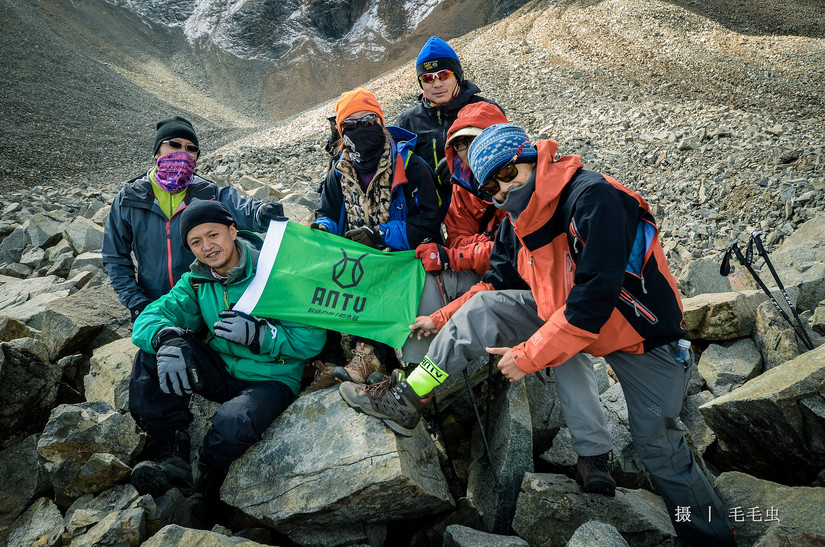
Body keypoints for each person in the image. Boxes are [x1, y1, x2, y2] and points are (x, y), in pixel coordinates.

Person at [339, 124, 736, 546]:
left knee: (661, 449)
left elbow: (592, 302)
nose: (503, 188)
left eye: (509, 172)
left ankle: (711, 539)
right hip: (567, 319)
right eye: (491, 185)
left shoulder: (592, 198)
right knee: (483, 311)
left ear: (531, 157)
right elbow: (494, 284)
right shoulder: (516, 222)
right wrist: (440, 318)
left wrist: (528, 355)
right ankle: (412, 394)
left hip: (643, 337)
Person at [128, 199, 325, 503]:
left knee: (234, 423)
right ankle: (171, 453)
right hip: (220, 367)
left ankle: (208, 478)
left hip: (270, 378)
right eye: (195, 242)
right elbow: (148, 319)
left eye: (213, 234)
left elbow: (311, 339)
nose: (206, 247)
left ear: (233, 231)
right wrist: (165, 338)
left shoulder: (276, 272)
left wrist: (261, 335)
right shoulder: (196, 281)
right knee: (155, 352)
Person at [305, 88, 443, 393]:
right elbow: (326, 212)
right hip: (355, 257)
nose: (360, 130)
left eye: (367, 120)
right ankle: (331, 360)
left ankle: (369, 355)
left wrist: (380, 235)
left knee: (377, 279)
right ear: (341, 132)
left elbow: (430, 220)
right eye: (350, 126)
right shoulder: (337, 174)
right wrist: (325, 229)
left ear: (380, 122)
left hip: (404, 258)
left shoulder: (410, 165)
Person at [103, 116, 286, 323]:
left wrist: (262, 213)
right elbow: (115, 256)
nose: (183, 152)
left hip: (203, 303)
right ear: (156, 152)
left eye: (191, 149)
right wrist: (135, 302)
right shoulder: (129, 198)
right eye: (174, 144)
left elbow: (243, 209)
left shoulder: (209, 192)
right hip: (152, 303)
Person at [396, 36, 503, 214]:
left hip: (480, 207)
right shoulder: (407, 122)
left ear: (458, 76)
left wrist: (465, 163)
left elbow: (508, 157)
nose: (437, 84)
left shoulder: (485, 110)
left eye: (444, 75)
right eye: (428, 78)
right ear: (421, 83)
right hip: (428, 213)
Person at [414, 102, 509, 277]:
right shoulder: (463, 187)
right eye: (462, 143)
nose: (471, 150)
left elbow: (517, 249)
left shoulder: (521, 178)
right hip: (489, 272)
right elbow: (456, 239)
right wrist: (489, 240)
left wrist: (468, 250)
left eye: (476, 139)